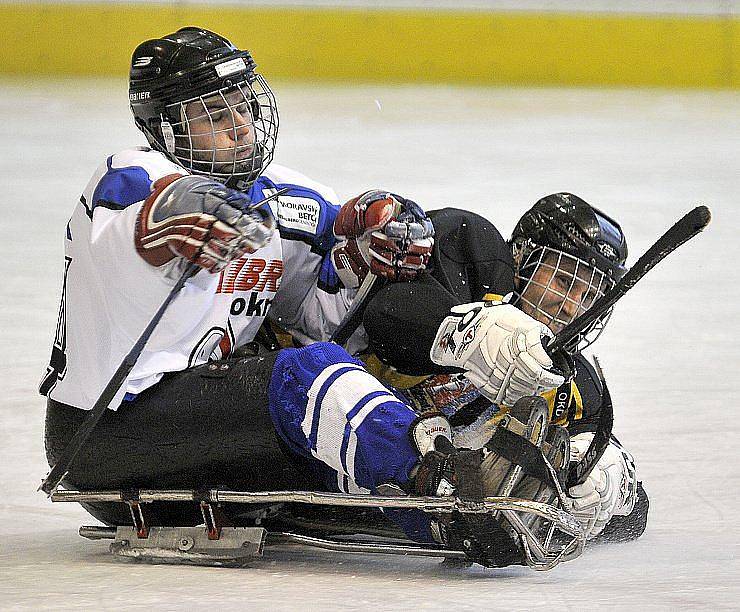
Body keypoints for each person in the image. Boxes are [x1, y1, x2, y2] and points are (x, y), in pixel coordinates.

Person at [41, 27, 567, 568]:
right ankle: (441, 495)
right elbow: (140, 219)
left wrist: (360, 260)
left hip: (208, 425)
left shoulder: (282, 197)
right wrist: (179, 213)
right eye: (215, 116)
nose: (239, 127)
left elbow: (320, 316)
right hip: (107, 436)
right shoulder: (130, 175)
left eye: (242, 107)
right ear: (163, 129)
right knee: (304, 377)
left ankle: (515, 481)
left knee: (365, 340)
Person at [359, 195, 649, 544]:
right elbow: (385, 313)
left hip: (434, 503)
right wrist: (476, 334)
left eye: (588, 296)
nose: (572, 307)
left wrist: (608, 484)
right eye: (564, 282)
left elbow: (634, 518)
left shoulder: (573, 383)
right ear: (522, 258)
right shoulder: (470, 261)